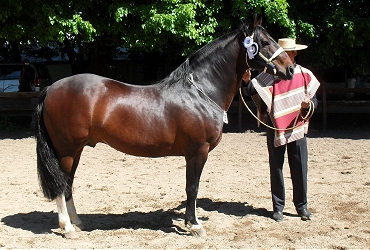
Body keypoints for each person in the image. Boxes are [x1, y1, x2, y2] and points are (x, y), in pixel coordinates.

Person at [242, 38, 320, 222]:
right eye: (281, 54)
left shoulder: (305, 74)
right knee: (276, 168)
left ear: (294, 54)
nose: (284, 57)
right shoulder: (271, 74)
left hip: (298, 128)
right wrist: (246, 81)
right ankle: (278, 208)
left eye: (287, 53)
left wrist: (308, 105)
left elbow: (315, 102)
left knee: (299, 167)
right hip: (275, 128)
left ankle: (302, 206)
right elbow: (250, 90)